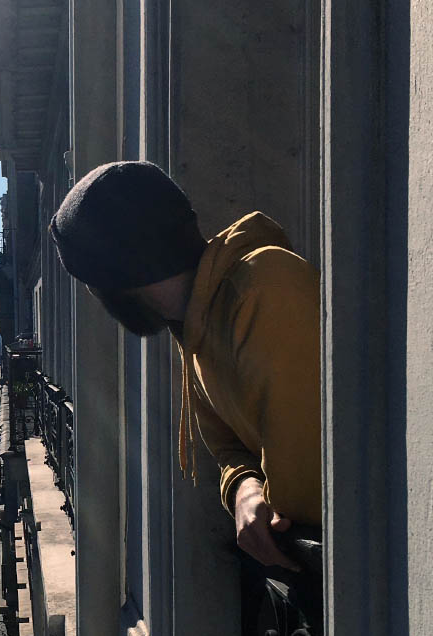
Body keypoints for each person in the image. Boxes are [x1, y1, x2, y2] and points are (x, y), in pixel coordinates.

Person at [50, 161, 320, 571]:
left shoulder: (263, 288)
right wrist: (245, 488)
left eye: (90, 281)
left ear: (114, 278)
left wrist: (263, 498)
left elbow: (312, 491)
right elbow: (230, 449)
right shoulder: (195, 326)